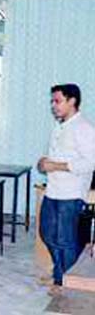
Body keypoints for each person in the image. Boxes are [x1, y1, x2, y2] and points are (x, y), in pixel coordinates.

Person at [38, 84, 95, 295]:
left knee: (65, 240)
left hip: (70, 193)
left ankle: (65, 282)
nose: (53, 105)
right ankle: (60, 273)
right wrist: (44, 162)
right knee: (47, 233)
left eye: (57, 101)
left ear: (72, 101)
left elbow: (90, 162)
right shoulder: (60, 126)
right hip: (53, 190)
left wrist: (56, 166)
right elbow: (56, 155)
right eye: (52, 101)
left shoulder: (85, 128)